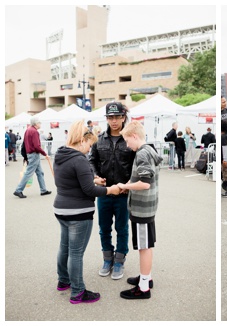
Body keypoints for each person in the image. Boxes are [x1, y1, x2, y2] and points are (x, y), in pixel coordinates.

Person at [53, 120, 121, 304]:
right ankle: (78, 292)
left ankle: (63, 281)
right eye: (89, 145)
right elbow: (89, 191)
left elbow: (71, 180)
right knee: (76, 253)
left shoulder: (61, 155)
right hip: (78, 212)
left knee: (64, 247)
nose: (89, 150)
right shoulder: (79, 159)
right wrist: (110, 190)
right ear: (82, 140)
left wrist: (92, 180)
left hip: (61, 209)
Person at [89, 101, 135, 280]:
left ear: (123, 117)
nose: (114, 121)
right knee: (104, 228)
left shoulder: (130, 138)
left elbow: (136, 164)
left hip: (124, 193)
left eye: (117, 117)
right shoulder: (99, 139)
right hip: (105, 192)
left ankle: (119, 261)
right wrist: (96, 176)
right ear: (107, 118)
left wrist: (129, 184)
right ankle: (107, 259)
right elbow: (91, 160)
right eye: (110, 117)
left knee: (122, 228)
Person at [117, 121, 163, 300]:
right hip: (148, 205)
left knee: (144, 246)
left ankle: (143, 287)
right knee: (146, 244)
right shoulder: (149, 149)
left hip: (141, 208)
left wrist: (125, 185)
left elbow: (144, 183)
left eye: (128, 141)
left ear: (135, 136)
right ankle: (146, 277)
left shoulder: (142, 153)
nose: (128, 146)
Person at [13, 116, 52, 199]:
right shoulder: (34, 132)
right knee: (29, 173)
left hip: (30, 153)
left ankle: (43, 190)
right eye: (39, 122)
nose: (40, 124)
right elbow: (37, 146)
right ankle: (18, 190)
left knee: (40, 172)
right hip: (34, 154)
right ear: (36, 123)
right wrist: (45, 154)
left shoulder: (28, 130)